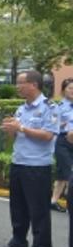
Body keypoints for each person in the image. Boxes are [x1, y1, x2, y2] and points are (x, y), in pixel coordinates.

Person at [0, 70, 59, 247]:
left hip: (37, 166)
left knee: (38, 209)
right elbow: (16, 136)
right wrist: (9, 130)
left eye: (20, 83)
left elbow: (48, 135)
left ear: (33, 84)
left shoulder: (49, 107)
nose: (17, 86)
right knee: (18, 206)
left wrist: (21, 128)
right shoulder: (21, 109)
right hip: (19, 162)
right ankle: (18, 240)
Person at [51, 78, 73, 212]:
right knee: (68, 172)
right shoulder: (58, 107)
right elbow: (51, 125)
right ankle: (70, 201)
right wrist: (60, 125)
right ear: (64, 90)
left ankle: (53, 201)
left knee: (62, 175)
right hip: (63, 141)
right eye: (70, 88)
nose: (72, 91)